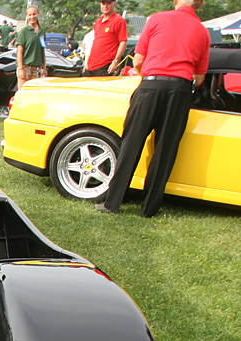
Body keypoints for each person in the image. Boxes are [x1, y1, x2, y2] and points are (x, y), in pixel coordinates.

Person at [96, 0, 210, 218]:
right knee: (165, 149)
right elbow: (200, 77)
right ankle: (149, 208)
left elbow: (138, 60)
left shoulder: (156, 19)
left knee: (131, 142)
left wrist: (150, 75)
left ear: (176, 1)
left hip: (151, 84)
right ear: (200, 4)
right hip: (180, 90)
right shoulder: (202, 32)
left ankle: (113, 202)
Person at [83, 0, 128, 76]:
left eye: (108, 3)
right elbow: (95, 44)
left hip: (105, 66)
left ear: (114, 4)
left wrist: (115, 61)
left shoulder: (119, 21)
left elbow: (123, 42)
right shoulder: (98, 22)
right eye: (103, 3)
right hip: (91, 66)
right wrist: (87, 63)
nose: (105, 6)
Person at [16, 6, 46, 93]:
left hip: (37, 68)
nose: (32, 17)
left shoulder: (42, 31)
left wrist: (44, 66)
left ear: (38, 14)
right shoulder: (24, 31)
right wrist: (21, 69)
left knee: (35, 93)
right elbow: (19, 51)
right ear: (27, 16)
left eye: (34, 14)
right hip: (25, 67)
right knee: (23, 92)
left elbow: (42, 49)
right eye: (30, 15)